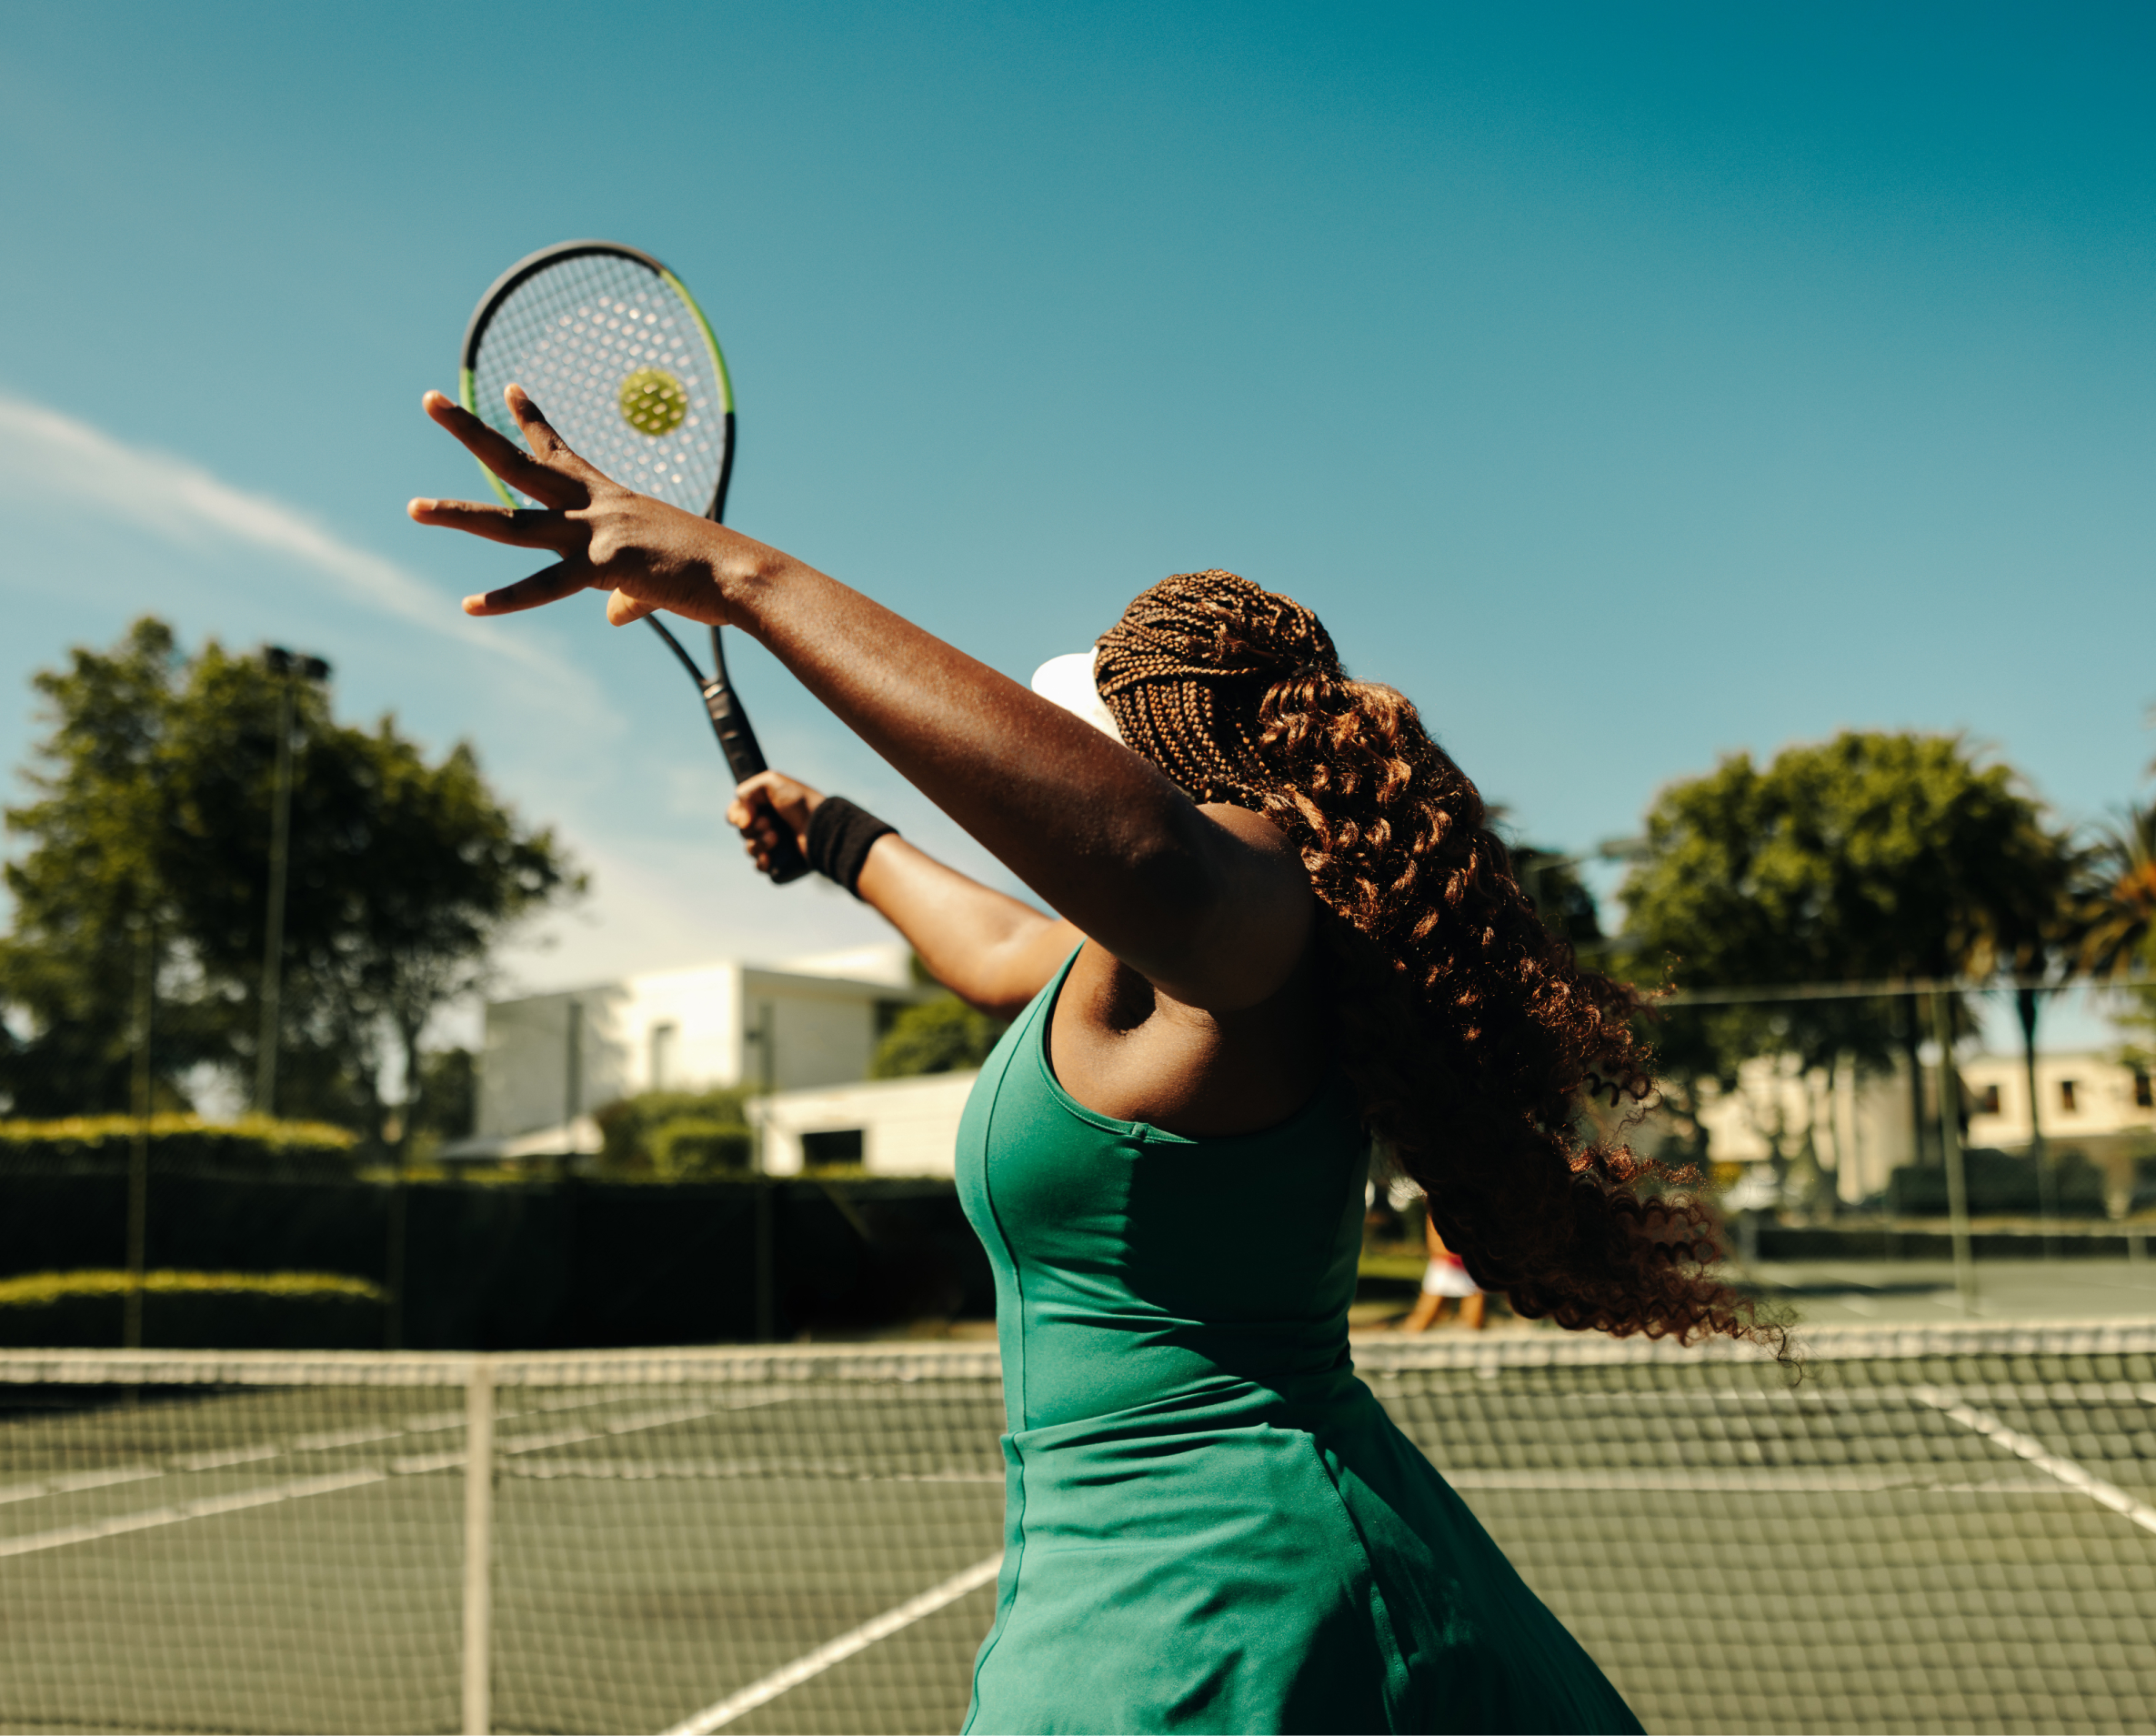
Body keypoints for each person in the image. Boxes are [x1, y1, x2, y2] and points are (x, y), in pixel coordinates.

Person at [410, 386, 1760, 1734]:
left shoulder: (1253, 923)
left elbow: (1150, 857)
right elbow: (1000, 941)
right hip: (1179, 1580)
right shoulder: (1150, 974)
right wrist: (831, 833)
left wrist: (736, 571)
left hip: (1235, 1606)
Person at [1399, 1213, 1487, 1332]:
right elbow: (1435, 1243)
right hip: (1445, 1265)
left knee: (1475, 1318)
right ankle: (1407, 1339)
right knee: (1426, 1313)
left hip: (1469, 1265)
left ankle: (1473, 1346)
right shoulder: (1439, 1206)